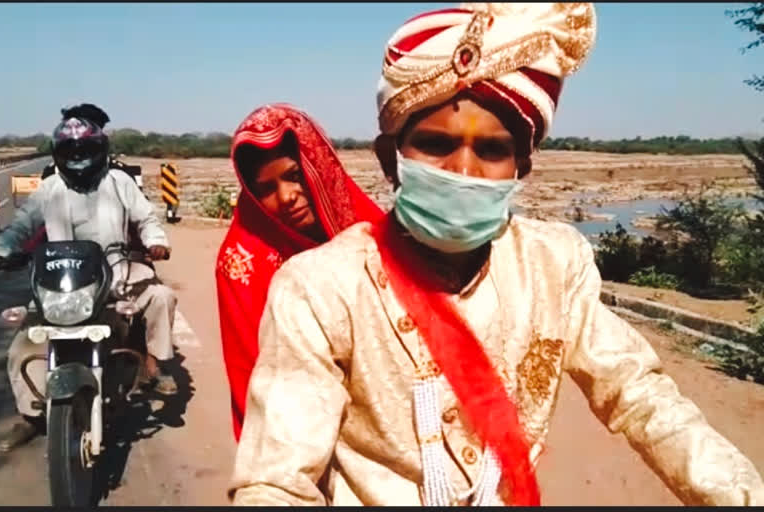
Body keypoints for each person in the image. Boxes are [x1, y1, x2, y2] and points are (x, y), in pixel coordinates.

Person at [228, 3, 764, 506]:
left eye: (491, 151)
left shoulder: (554, 266)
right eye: (436, 145)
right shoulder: (323, 286)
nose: (463, 172)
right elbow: (275, 479)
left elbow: (641, 397)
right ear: (391, 160)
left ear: (521, 169)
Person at [0, 103, 178, 454]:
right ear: (59, 154)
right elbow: (20, 227)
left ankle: (155, 364)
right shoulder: (50, 188)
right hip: (60, 282)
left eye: (86, 149)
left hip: (117, 272)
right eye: (71, 150)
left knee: (162, 297)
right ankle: (31, 415)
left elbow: (147, 217)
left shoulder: (119, 181)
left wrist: (156, 242)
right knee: (22, 346)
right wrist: (3, 249)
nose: (79, 157)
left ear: (100, 149)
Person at [216, 103, 384, 441]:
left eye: (294, 176)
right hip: (300, 437)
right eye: (265, 189)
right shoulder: (242, 262)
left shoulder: (369, 231)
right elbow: (251, 375)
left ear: (318, 164)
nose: (286, 197)